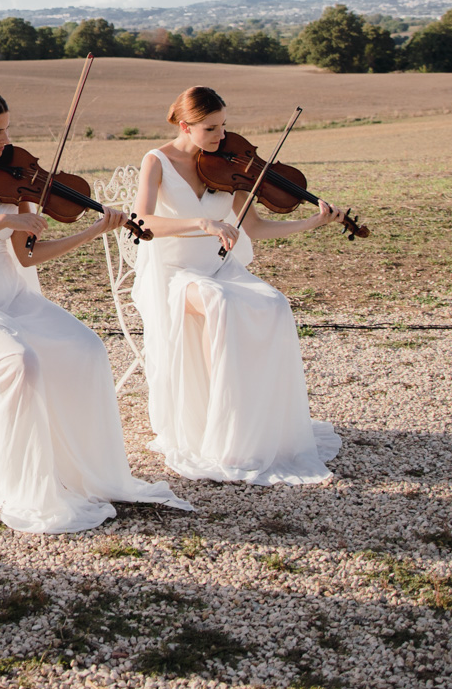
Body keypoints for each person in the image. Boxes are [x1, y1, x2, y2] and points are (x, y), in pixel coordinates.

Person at [0, 83, 191, 533]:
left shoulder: (12, 174)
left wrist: (96, 230)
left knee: (86, 348)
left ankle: (81, 472)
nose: (6, 141)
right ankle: (19, 486)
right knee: (18, 360)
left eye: (7, 130)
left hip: (11, 297)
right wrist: (0, 220)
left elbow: (27, 255)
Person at [130, 85, 344, 484]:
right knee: (221, 304)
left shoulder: (229, 167)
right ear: (184, 125)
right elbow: (141, 222)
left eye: (224, 126)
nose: (222, 137)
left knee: (275, 303)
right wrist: (201, 222)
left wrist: (314, 221)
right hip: (176, 273)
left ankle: (259, 423)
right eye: (211, 128)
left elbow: (256, 228)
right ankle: (222, 430)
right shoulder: (156, 160)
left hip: (220, 269)